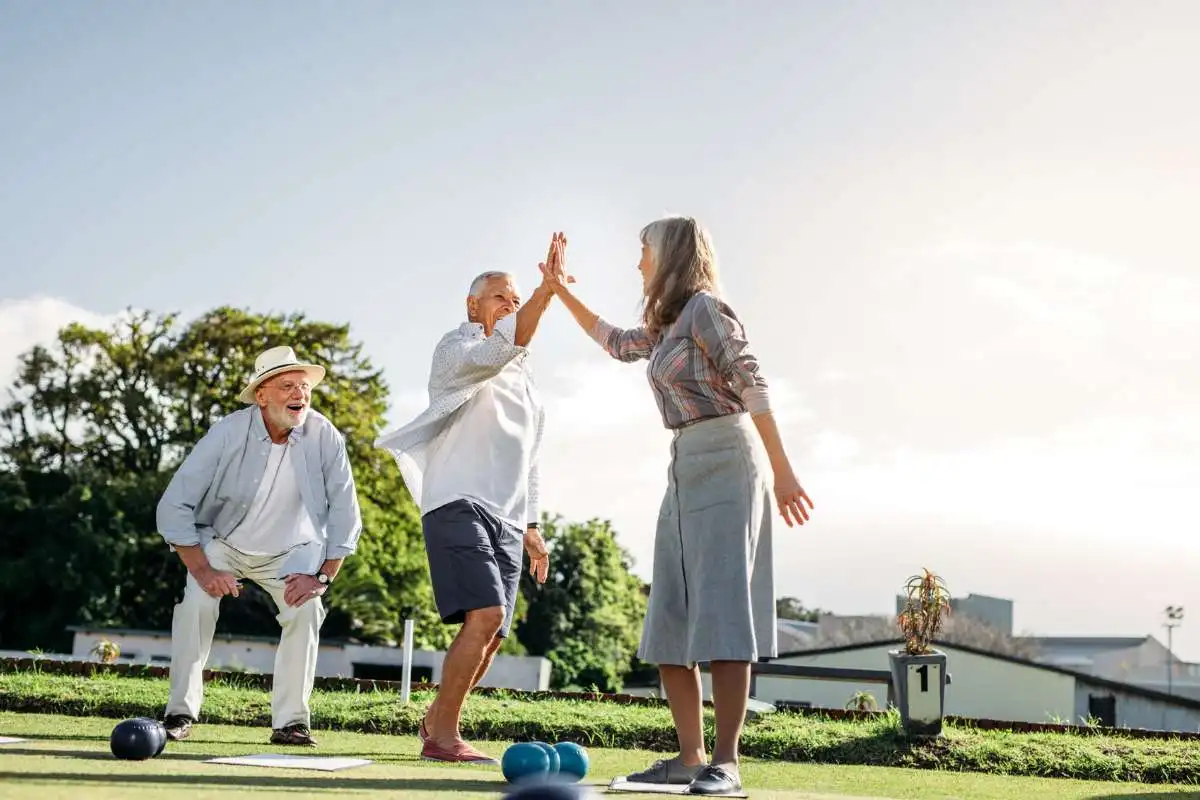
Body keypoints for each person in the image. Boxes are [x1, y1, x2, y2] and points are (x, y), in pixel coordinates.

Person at [537, 220, 814, 795]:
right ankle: (689, 758)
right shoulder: (665, 324)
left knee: (722, 610)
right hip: (684, 461)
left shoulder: (707, 310)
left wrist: (784, 473)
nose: (638, 262)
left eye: (643, 251)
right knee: (670, 616)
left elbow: (754, 385)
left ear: (669, 255)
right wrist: (558, 289)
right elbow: (615, 342)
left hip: (729, 456)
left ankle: (726, 763)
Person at [374, 242, 565, 763]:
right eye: (500, 296)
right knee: (485, 613)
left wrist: (531, 525)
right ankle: (442, 738)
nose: (509, 303)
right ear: (472, 305)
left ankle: (436, 719)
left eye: (517, 297)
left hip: (506, 515)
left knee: (495, 633)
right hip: (456, 499)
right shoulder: (456, 350)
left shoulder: (527, 385)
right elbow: (498, 349)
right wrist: (546, 295)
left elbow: (529, 457)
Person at [155, 345, 362, 746]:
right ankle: (179, 713)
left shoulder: (325, 436)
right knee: (195, 605)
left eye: (304, 386)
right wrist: (203, 570)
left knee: (307, 611)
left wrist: (322, 576)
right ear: (261, 395)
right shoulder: (228, 432)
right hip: (225, 542)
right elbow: (173, 504)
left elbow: (345, 512)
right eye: (287, 386)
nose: (298, 394)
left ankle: (291, 723)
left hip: (293, 550)